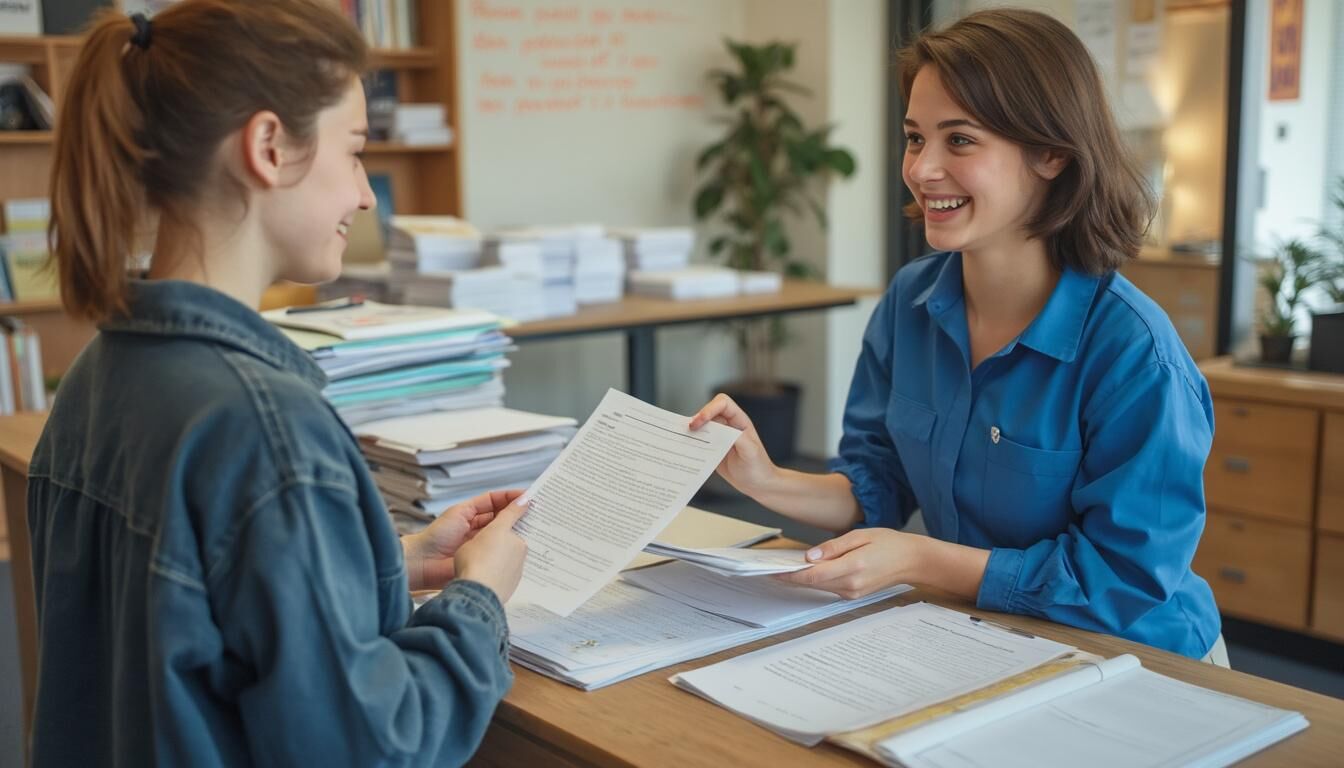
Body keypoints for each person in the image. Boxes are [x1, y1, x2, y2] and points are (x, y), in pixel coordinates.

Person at [28, 1, 529, 764]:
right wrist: (479, 600)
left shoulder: (97, 372)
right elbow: (371, 746)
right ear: (267, 146)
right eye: (355, 151)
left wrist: (385, 558)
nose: (365, 195)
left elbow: (184, 623)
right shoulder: (268, 429)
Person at [691, 8, 1226, 664]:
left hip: (1136, 661)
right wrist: (766, 478)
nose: (923, 169)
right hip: (976, 636)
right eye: (916, 139)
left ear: (1051, 152)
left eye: (961, 141)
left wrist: (921, 558)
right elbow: (877, 483)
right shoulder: (909, 303)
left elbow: (1122, 582)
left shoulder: (1135, 353)